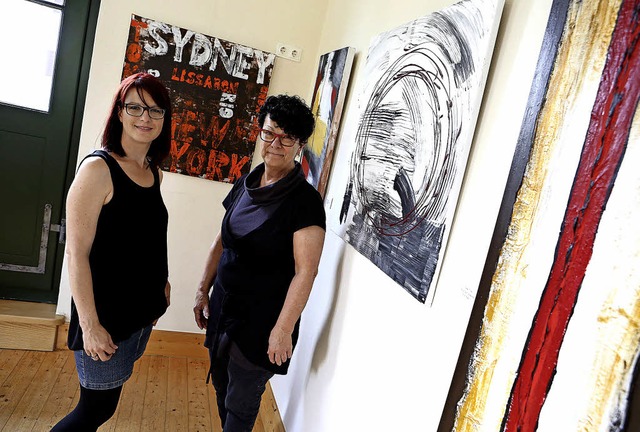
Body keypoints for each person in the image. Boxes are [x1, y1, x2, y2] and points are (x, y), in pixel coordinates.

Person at [193, 94, 326, 432]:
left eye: (287, 138)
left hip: (263, 322)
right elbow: (221, 241)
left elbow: (305, 272)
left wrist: (282, 330)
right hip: (224, 309)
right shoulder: (247, 182)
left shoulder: (305, 202)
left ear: (299, 146)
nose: (276, 144)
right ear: (260, 133)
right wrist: (201, 290)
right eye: (270, 133)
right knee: (223, 386)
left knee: (241, 402)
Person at [52, 72, 172, 431]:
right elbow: (76, 254)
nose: (145, 118)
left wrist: (161, 286)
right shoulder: (97, 170)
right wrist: (89, 326)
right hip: (105, 318)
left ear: (165, 119)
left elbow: (146, 238)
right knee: (94, 411)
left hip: (140, 312)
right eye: (134, 107)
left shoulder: (153, 172)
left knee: (106, 404)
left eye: (155, 110)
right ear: (119, 113)